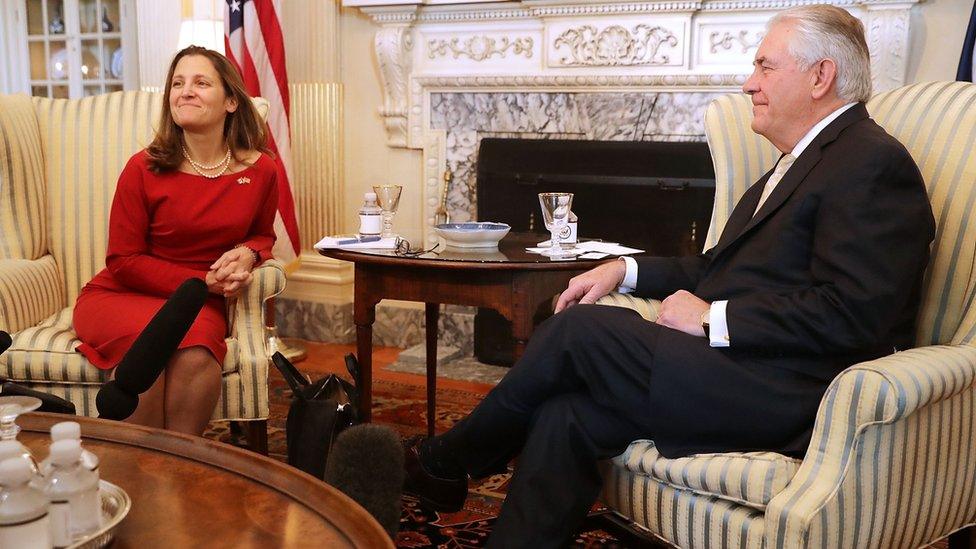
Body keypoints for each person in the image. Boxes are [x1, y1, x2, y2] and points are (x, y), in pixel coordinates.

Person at [402, 4, 936, 547]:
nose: (749, 84)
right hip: (740, 371)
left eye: (765, 67)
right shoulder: (796, 163)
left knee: (578, 330)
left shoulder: (871, 163)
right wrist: (622, 270)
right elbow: (716, 268)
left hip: (793, 394)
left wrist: (711, 318)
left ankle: (446, 460)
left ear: (820, 76)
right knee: (569, 415)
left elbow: (855, 314)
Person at [72, 46, 278, 436]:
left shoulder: (262, 170)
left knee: (198, 352)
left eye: (201, 83)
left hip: (198, 302)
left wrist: (249, 253)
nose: (186, 91)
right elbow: (122, 260)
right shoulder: (143, 167)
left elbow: (263, 233)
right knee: (146, 357)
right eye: (178, 83)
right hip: (123, 295)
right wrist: (202, 283)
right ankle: (141, 476)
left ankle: (180, 473)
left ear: (231, 101)